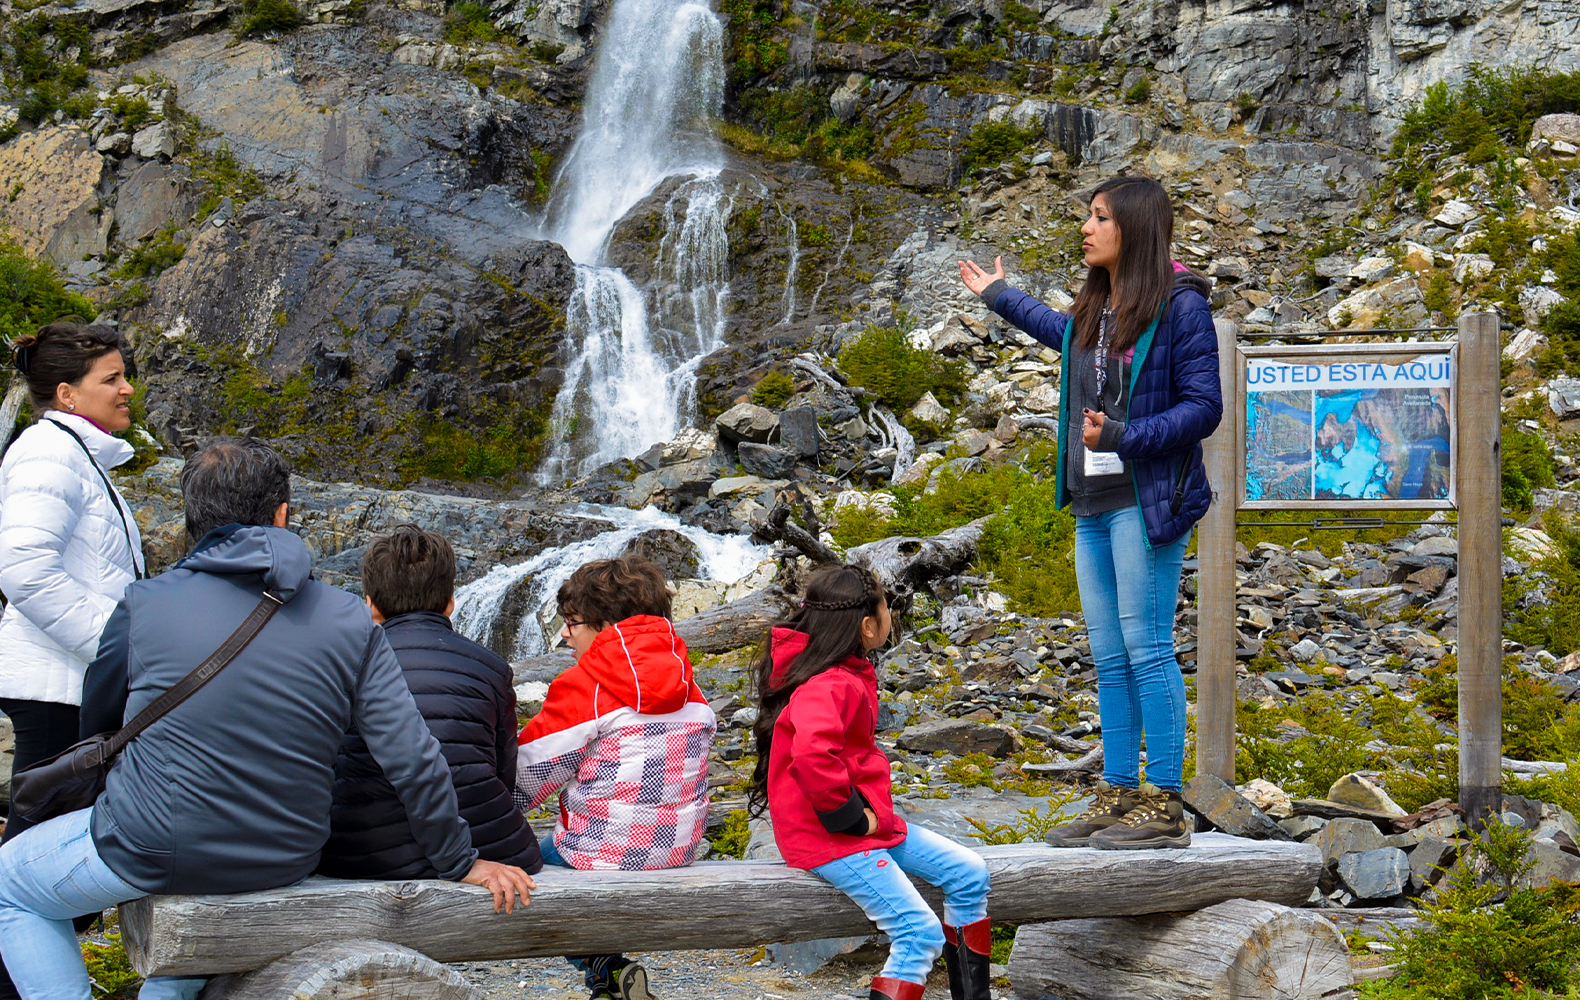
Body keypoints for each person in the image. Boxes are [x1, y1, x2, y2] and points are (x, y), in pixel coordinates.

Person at [0, 439, 534, 1000]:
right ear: (281, 514)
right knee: (185, 958)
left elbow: (101, 726)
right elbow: (414, 758)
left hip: (157, 843)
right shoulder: (347, 616)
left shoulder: (145, 603)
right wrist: (460, 861)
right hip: (287, 854)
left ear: (194, 520)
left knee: (8, 884)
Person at [958, 175, 1222, 850]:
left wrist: (1125, 438)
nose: (1086, 227)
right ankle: (1118, 791)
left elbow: (1204, 408)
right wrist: (997, 295)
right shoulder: (1100, 304)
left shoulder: (1181, 307)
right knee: (1108, 655)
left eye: (1099, 217)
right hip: (1093, 501)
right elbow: (1057, 330)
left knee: (1146, 648)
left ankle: (1163, 802)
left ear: (1133, 228)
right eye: (1088, 216)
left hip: (1146, 497)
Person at [0, 322, 145, 1000]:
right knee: (27, 865)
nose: (127, 388)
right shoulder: (48, 455)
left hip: (71, 684)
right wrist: (118, 652)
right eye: (112, 379)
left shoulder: (73, 455)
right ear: (67, 393)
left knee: (43, 863)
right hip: (60, 687)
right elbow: (26, 572)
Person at [750, 565, 993, 1000]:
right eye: (887, 609)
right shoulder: (828, 684)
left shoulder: (845, 672)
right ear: (867, 626)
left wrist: (866, 819)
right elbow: (810, 755)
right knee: (919, 933)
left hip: (869, 828)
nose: (890, 617)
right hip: (830, 837)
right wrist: (847, 818)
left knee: (969, 873)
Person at [513, 555, 716, 1000]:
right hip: (678, 850)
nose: (564, 633)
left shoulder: (585, 685)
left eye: (571, 621)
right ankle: (608, 985)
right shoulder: (688, 682)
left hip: (602, 857)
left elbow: (525, 780)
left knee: (521, 864)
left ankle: (601, 964)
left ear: (605, 627)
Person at [321, 524, 544, 879]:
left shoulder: (340, 665)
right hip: (488, 846)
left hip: (358, 853)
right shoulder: (492, 668)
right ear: (451, 602)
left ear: (370, 605)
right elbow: (503, 770)